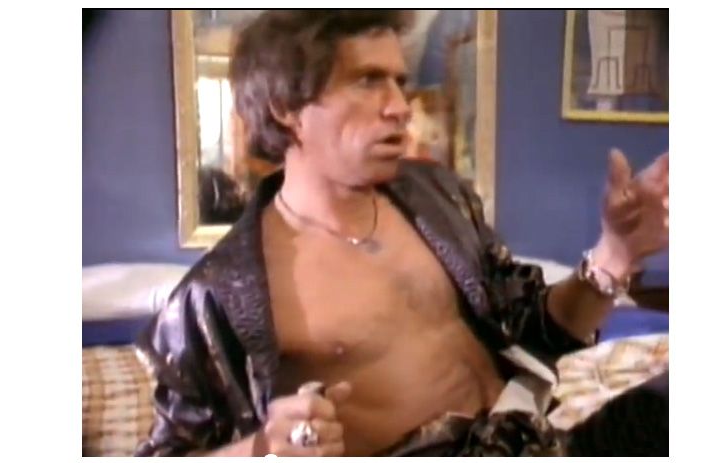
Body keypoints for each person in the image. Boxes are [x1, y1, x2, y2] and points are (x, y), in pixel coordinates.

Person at [134, 10, 669, 457]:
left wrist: (616, 254)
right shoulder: (219, 292)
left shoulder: (438, 196)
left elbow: (533, 327)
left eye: (399, 81)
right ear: (286, 107)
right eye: (367, 80)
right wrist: (260, 448)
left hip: (542, 443)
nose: (399, 107)